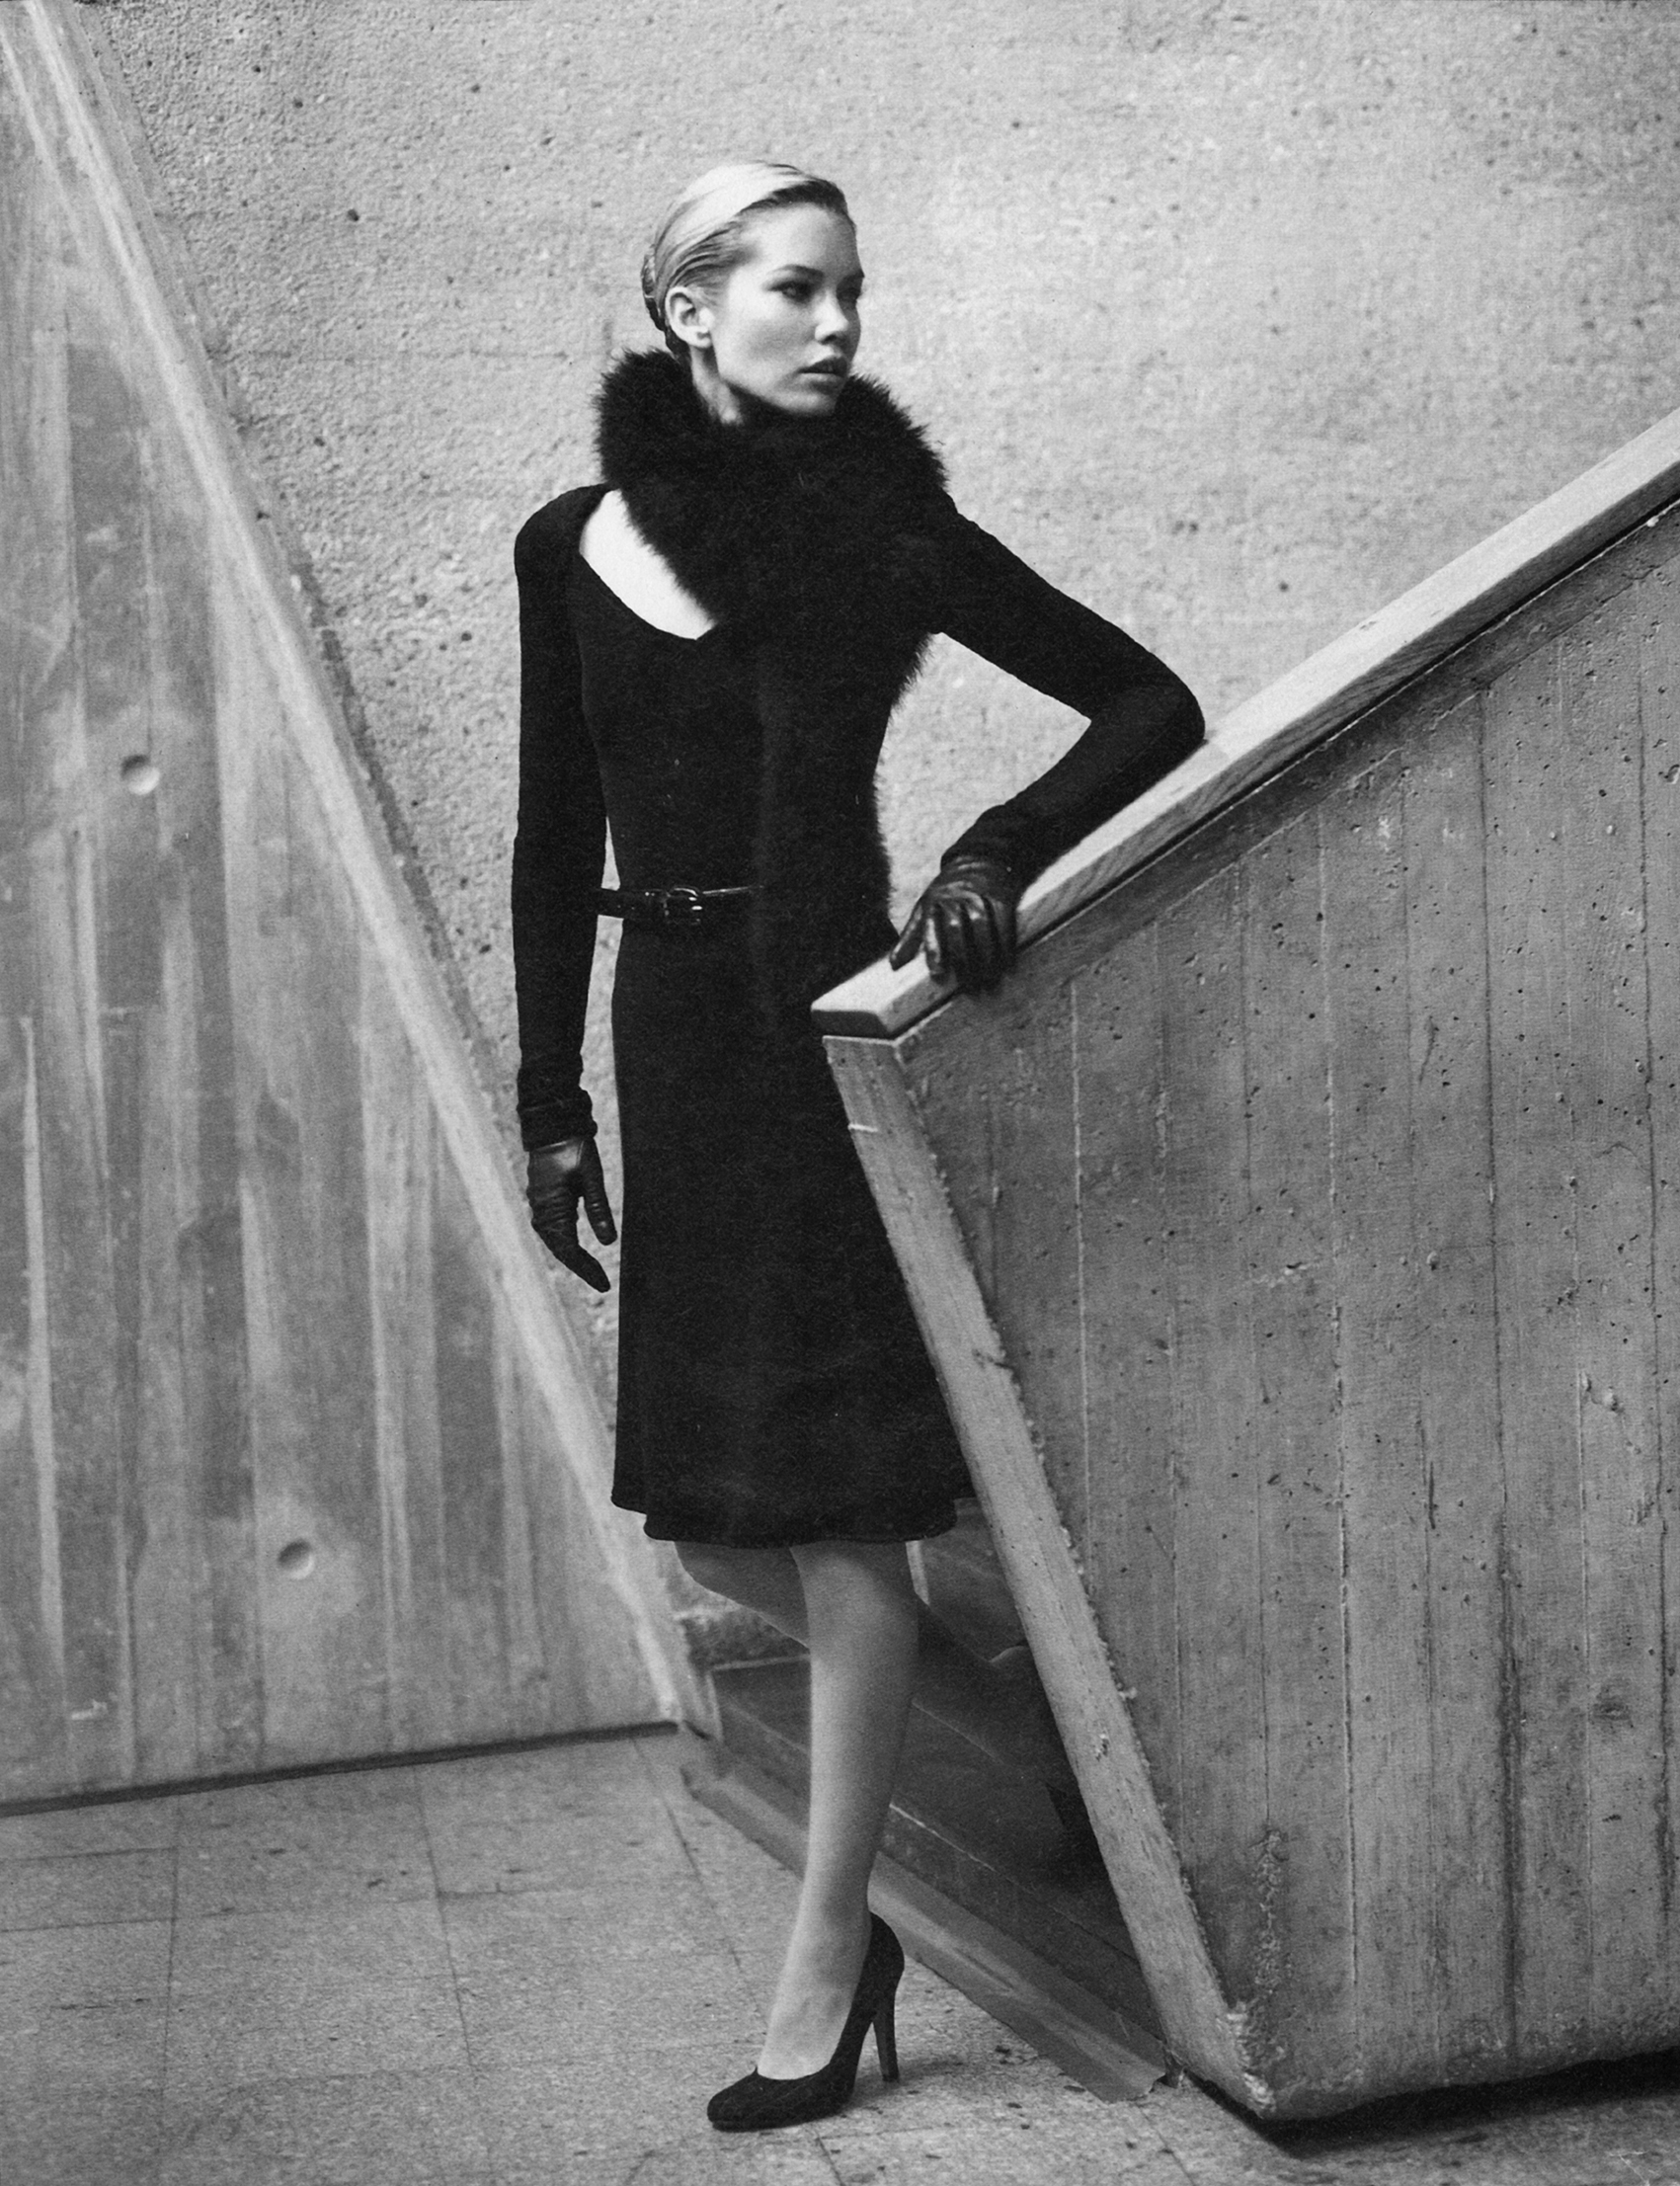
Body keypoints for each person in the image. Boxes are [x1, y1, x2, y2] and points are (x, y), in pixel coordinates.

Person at [511, 160, 1203, 2131]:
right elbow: (554, 835)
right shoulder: (563, 541)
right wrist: (548, 1096)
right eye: (796, 290)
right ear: (688, 310)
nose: (837, 325)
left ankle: (828, 1958)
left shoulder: (885, 531)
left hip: (822, 1038)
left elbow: (1143, 700)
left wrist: (990, 854)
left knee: (842, 1518)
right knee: (729, 1516)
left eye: (850, 295)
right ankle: (1018, 1737)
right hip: (670, 1040)